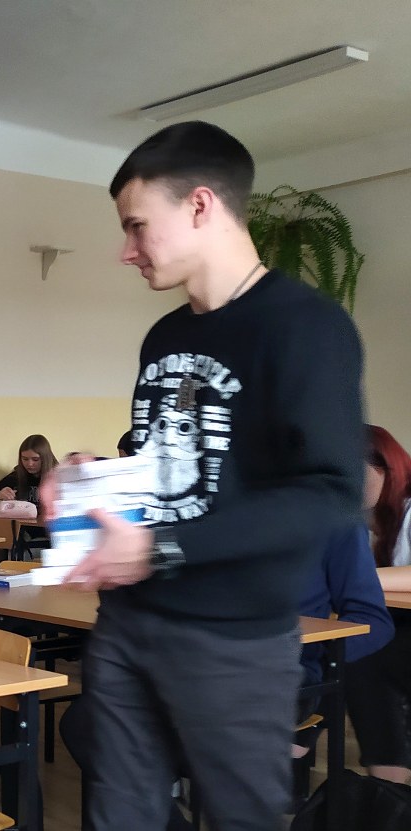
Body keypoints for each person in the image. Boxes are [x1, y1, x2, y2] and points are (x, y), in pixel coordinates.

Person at [49, 121, 364, 829]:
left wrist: (158, 547)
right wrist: (90, 477)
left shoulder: (306, 327)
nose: (126, 250)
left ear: (199, 205)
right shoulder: (165, 336)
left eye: (136, 226)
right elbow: (174, 471)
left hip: (234, 640)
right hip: (129, 623)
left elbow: (330, 493)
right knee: (117, 816)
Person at [59, 521, 393, 829]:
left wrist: (309, 651)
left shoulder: (330, 517)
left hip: (279, 674)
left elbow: (373, 620)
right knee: (88, 722)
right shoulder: (200, 503)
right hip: (184, 663)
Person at [346, 424, 411, 784]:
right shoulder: (363, 525)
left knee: (365, 655)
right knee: (354, 650)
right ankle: (387, 790)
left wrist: (357, 579)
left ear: (386, 467)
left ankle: (387, 787)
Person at [0, 434, 56, 508]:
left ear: (45, 458)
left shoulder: (58, 477)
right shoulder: (15, 477)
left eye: (35, 459)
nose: (30, 464)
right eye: (25, 459)